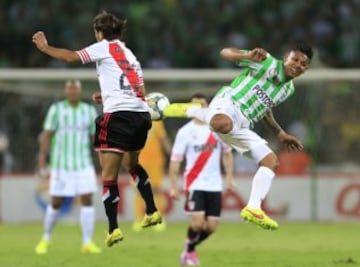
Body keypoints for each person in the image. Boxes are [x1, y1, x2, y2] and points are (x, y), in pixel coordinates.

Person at [32, 11, 161, 247]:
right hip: (141, 115)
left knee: (108, 176)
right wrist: (108, 95)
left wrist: (46, 48)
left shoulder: (104, 47)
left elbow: (71, 57)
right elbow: (139, 87)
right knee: (131, 165)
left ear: (99, 32)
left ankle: (113, 229)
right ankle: (152, 210)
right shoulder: (130, 55)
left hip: (119, 117)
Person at [164, 44, 313, 230]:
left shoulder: (287, 90)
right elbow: (224, 52)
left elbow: (265, 109)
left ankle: (253, 208)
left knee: (271, 161)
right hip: (229, 104)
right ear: (285, 58)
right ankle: (189, 110)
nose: (297, 65)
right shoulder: (266, 62)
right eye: (295, 59)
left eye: (302, 64)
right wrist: (249, 56)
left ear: (306, 69)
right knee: (222, 123)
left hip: (243, 124)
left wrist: (280, 133)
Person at [35, 80, 101, 254]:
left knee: (87, 199)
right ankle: (46, 238)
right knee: (56, 202)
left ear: (79, 92)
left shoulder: (88, 111)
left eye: (75, 89)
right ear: (66, 92)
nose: (72, 92)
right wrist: (42, 159)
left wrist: (103, 158)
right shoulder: (56, 110)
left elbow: (96, 139)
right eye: (69, 89)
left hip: (83, 163)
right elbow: (47, 135)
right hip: (61, 164)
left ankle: (87, 242)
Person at [169, 93, 235, 266]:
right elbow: (175, 161)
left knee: (211, 227)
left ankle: (188, 248)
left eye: (202, 105)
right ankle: (190, 252)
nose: (198, 108)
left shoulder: (217, 128)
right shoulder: (185, 132)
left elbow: (227, 155)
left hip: (214, 185)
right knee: (198, 224)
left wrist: (229, 178)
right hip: (195, 183)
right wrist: (174, 186)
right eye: (195, 105)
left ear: (208, 107)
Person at [132, 120, 172, 232]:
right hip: (139, 160)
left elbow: (163, 138)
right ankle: (139, 219)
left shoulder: (156, 121)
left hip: (156, 161)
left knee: (157, 189)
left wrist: (171, 153)